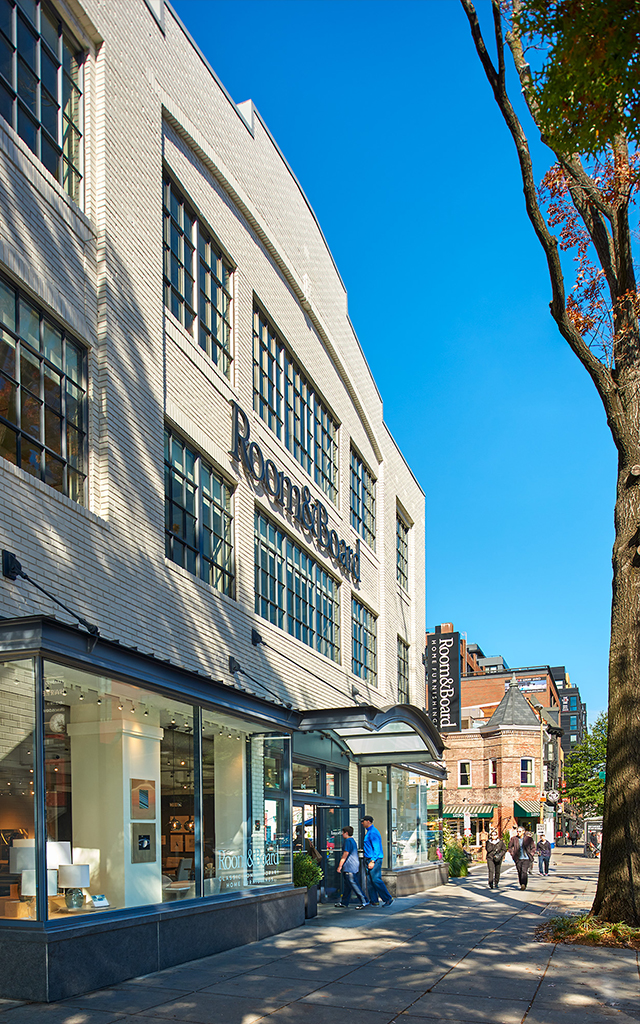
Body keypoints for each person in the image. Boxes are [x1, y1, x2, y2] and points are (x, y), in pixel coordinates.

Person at [361, 815, 394, 906]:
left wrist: (373, 861)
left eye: (363, 821)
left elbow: (377, 848)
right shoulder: (369, 832)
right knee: (370, 881)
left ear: (368, 821)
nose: (362, 823)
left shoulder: (373, 832)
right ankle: (374, 900)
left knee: (376, 880)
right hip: (369, 859)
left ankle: (387, 898)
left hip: (373, 860)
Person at [335, 826, 369, 909]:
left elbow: (345, 854)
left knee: (353, 884)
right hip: (353, 865)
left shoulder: (347, 841)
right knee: (347, 885)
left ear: (346, 833)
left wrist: (340, 866)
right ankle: (344, 902)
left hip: (349, 866)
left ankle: (364, 900)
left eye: (343, 832)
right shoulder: (352, 840)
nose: (342, 834)